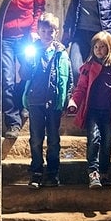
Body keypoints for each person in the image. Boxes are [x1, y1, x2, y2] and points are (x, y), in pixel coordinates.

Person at [67, 31, 111, 189]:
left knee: (107, 142)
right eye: (96, 47)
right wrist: (74, 100)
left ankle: (104, 172)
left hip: (108, 111)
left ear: (110, 48)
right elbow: (81, 88)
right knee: (94, 140)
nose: (99, 50)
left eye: (102, 47)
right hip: (93, 110)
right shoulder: (88, 67)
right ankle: (93, 172)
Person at [21, 12, 73, 189]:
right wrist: (27, 62)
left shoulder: (61, 53)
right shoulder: (32, 51)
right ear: (39, 31)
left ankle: (52, 173)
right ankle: (36, 172)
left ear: (56, 32)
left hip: (53, 103)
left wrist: (67, 99)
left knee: (53, 139)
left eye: (51, 31)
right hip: (35, 101)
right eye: (43, 30)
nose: (47, 34)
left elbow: (69, 78)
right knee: (36, 138)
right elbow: (24, 75)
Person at [2, 0, 46, 139]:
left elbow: (39, 7)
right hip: (5, 37)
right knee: (7, 79)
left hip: (26, 36)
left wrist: (34, 30)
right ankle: (13, 122)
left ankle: (24, 105)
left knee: (30, 74)